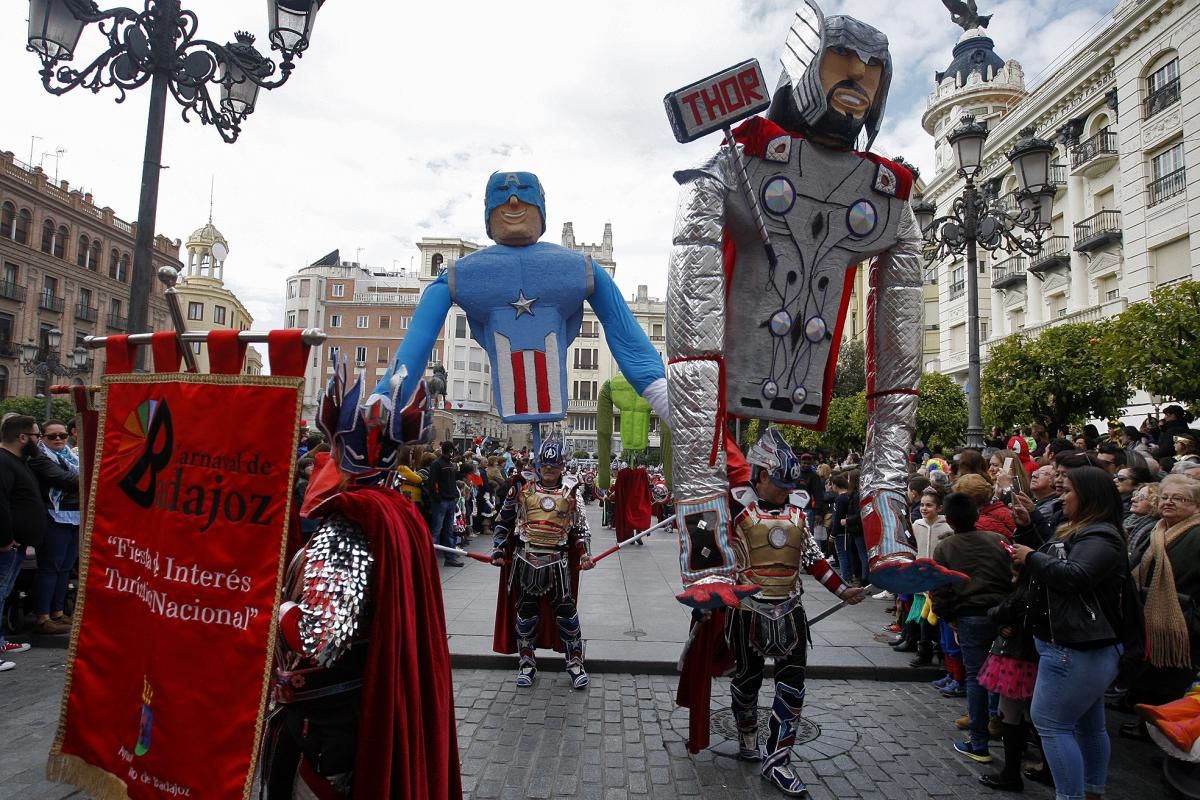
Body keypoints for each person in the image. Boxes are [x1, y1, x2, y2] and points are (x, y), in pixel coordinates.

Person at [663, 0, 958, 605]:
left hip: (804, 363)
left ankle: (889, 534)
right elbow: (692, 312)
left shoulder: (888, 195)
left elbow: (898, 342)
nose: (858, 86)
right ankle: (705, 554)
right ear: (807, 68)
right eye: (841, 68)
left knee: (901, 373)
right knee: (695, 366)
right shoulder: (742, 160)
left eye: (871, 76)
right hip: (739, 354)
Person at [265, 372, 460, 799]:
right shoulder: (398, 512)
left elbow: (319, 638)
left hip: (329, 716)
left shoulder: (347, 524)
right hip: (365, 697)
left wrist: (268, 606)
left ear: (340, 451)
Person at [722, 429, 864, 795]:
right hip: (749, 611)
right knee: (746, 681)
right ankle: (747, 731)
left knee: (792, 687)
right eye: (780, 483)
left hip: (790, 612)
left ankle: (777, 759)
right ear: (763, 475)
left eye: (791, 484)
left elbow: (814, 560)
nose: (786, 490)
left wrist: (843, 590)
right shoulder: (736, 505)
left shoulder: (798, 513)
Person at [1011, 466, 1132, 800]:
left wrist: (1032, 556)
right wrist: (1030, 526)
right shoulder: (1081, 530)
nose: (1062, 497)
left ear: (1089, 497)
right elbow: (1055, 556)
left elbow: (1074, 574)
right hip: (1078, 645)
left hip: (1076, 646)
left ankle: (1072, 795)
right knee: (1088, 725)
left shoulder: (1101, 536)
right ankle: (1092, 790)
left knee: (1051, 723)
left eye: (1068, 492)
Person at [491, 434, 594, 689]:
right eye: (545, 465)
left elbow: (579, 528)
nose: (549, 470)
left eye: (554, 465)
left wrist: (583, 553)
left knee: (567, 614)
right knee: (525, 614)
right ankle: (526, 663)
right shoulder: (521, 487)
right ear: (538, 465)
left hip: (558, 561)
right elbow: (504, 521)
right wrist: (498, 549)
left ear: (562, 465)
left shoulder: (571, 490)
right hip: (525, 558)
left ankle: (575, 662)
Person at [931, 492, 1014, 764]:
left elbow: (940, 590)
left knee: (976, 676)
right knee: (999, 671)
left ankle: (979, 742)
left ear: (950, 520)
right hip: (1001, 613)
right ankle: (996, 721)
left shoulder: (946, 548)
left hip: (970, 615)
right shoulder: (999, 541)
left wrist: (949, 617)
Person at [1126, 475, 1200, 711]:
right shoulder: (1158, 530)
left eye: (1179, 499)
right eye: (1165, 497)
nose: (1169, 502)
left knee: (1170, 682)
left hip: (1181, 623)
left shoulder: (1196, 534)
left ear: (1196, 505)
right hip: (1151, 615)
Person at [0, 415, 45, 668]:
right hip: (7, 545)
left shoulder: (18, 461)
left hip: (16, 545)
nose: (38, 441)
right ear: (23, 437)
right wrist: (5, 540)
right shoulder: (4, 462)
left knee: (4, 594)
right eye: (37, 435)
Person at [29, 419, 81, 635]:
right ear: (42, 437)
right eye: (52, 436)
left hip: (73, 514)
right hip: (53, 514)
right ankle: (43, 616)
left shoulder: (71, 455)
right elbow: (64, 480)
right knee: (50, 567)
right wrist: (87, 478)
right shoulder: (39, 458)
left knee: (66, 567)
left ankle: (58, 612)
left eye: (62, 435)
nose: (58, 439)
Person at [429, 442, 465, 567]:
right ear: (450, 450)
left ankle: (449, 557)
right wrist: (437, 497)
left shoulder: (448, 464)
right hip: (443, 500)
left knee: (447, 530)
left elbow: (453, 481)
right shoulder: (438, 464)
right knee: (437, 530)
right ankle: (431, 558)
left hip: (448, 499)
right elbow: (432, 483)